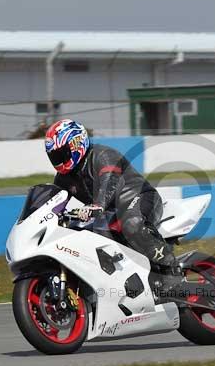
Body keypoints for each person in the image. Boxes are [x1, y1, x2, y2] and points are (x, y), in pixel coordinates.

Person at [44, 119, 182, 290]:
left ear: (76, 143)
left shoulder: (102, 155)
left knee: (132, 224)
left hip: (141, 198)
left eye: (61, 154)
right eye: (54, 157)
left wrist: (98, 205)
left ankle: (171, 268)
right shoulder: (63, 178)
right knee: (82, 237)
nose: (58, 161)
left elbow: (110, 182)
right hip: (110, 214)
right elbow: (54, 201)